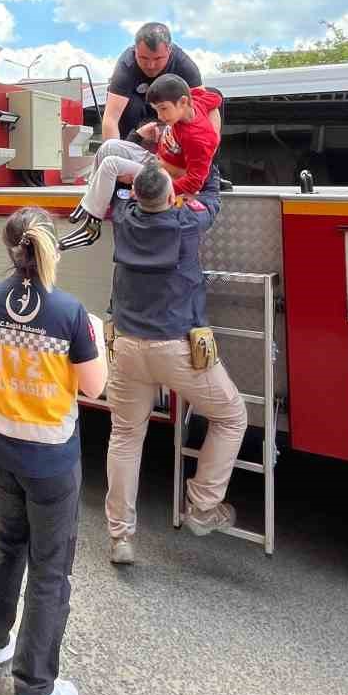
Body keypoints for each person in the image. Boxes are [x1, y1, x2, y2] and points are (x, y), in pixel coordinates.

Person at [0, 207, 107, 695]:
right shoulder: (71, 314)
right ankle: (32, 694)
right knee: (50, 570)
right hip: (50, 461)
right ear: (51, 248)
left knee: (8, 543)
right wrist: (95, 336)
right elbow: (95, 388)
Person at [104, 162, 247, 563]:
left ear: (135, 196)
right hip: (177, 350)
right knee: (232, 415)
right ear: (172, 198)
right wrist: (208, 163)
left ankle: (121, 539)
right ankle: (202, 505)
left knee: (126, 438)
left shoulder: (125, 219)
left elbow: (118, 192)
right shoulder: (186, 224)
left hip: (128, 349)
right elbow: (212, 201)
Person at [60, 77, 224, 250]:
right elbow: (215, 98)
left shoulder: (200, 138)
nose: (160, 116)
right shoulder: (195, 99)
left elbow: (195, 181)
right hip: (156, 159)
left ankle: (92, 226)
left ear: (183, 102)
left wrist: (159, 189)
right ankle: (89, 204)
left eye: (163, 109)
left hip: (161, 175)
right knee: (108, 146)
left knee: (110, 164)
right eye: (157, 110)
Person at [102, 22, 207, 144]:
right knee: (124, 105)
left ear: (169, 50)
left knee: (213, 96)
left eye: (158, 59)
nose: (150, 66)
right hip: (137, 115)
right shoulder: (126, 65)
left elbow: (205, 106)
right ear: (135, 50)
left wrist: (205, 147)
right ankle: (124, 149)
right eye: (143, 58)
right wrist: (113, 153)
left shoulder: (183, 64)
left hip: (172, 110)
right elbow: (111, 118)